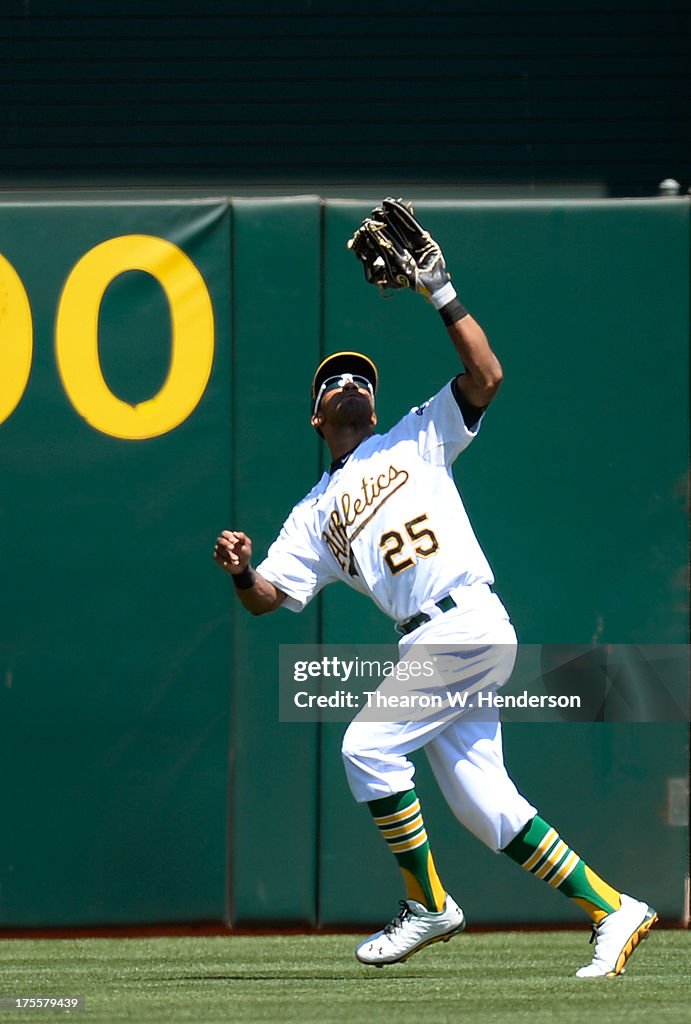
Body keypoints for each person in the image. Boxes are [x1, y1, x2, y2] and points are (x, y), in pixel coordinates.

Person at [213, 199, 657, 978]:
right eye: (333, 382)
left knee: (366, 746)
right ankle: (612, 908)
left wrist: (440, 292)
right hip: (427, 638)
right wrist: (245, 572)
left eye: (359, 378)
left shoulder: (414, 434)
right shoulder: (311, 515)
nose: (348, 382)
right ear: (315, 416)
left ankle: (427, 906)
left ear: (373, 404)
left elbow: (486, 374)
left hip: (465, 620)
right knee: (484, 805)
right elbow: (268, 598)